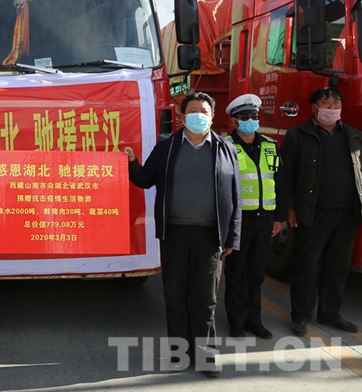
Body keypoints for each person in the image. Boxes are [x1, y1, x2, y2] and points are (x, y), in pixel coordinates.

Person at [123, 91, 241, 378]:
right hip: (174, 233)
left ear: (212, 117)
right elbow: (146, 179)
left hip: (210, 236)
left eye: (204, 111)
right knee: (175, 296)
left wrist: (232, 237)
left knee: (205, 299)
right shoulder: (167, 147)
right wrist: (131, 163)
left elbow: (236, 197)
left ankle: (206, 356)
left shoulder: (226, 150)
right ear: (182, 115)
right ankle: (178, 354)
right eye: (193, 110)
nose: (198, 115)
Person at [281, 86, 362, 337]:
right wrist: (290, 208)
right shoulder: (298, 135)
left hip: (347, 213)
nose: (332, 108)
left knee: (338, 266)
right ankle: (301, 315)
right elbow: (285, 175)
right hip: (312, 211)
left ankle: (330, 314)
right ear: (314, 107)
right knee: (307, 265)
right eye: (326, 103)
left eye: (336, 104)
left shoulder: (354, 135)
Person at [222, 94, 286, 340]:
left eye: (254, 116)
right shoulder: (226, 146)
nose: (250, 121)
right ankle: (237, 322)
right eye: (245, 117)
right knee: (237, 272)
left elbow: (280, 181)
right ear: (234, 120)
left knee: (257, 274)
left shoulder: (270, 145)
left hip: (265, 219)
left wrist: (278, 217)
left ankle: (254, 321)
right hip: (239, 220)